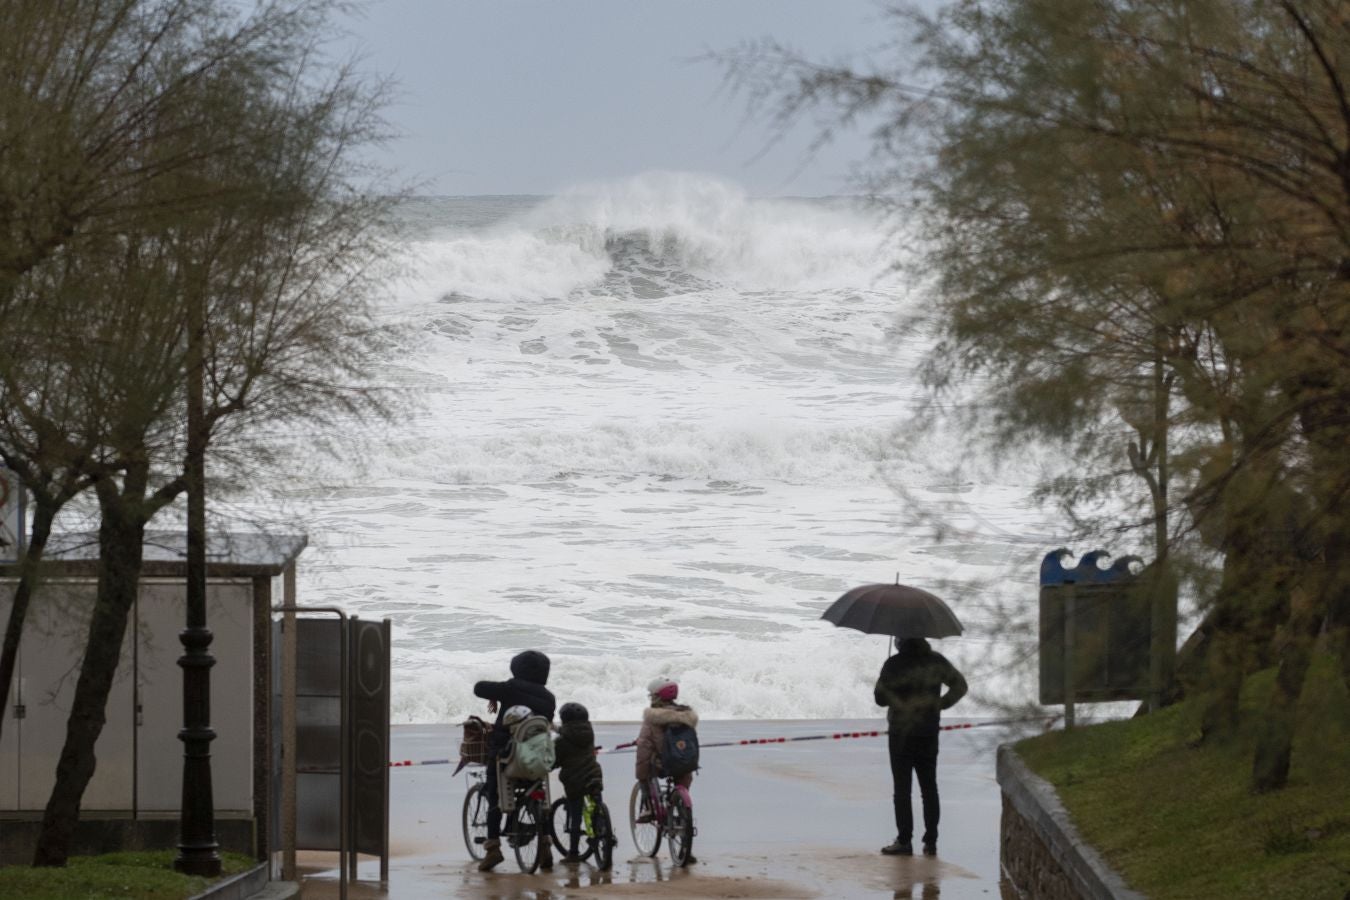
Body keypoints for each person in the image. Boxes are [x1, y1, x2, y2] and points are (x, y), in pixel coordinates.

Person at [873, 636, 967, 857]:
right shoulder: (936, 661)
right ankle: (931, 841)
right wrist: (940, 705)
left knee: (902, 790)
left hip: (900, 734)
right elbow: (960, 686)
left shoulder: (894, 664)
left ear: (901, 641)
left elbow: (879, 699)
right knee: (929, 788)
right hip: (928, 731)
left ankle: (904, 841)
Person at [473, 649, 556, 872]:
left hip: (507, 756)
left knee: (494, 795)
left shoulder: (510, 689)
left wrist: (497, 693)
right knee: (540, 796)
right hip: (537, 758)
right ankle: (545, 844)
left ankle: (493, 849)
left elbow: (478, 688)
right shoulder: (549, 698)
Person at [634, 676, 699, 862]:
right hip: (685, 765)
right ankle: (685, 842)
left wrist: (641, 776)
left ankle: (648, 809)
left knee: (646, 774)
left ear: (656, 697)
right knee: (682, 792)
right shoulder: (687, 717)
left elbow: (644, 751)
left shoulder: (652, 719)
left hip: (661, 765)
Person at [554, 701, 604, 864]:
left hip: (575, 781)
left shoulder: (561, 741)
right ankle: (604, 831)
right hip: (594, 775)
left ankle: (573, 853)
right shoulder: (589, 733)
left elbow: (555, 761)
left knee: (576, 817)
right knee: (596, 806)